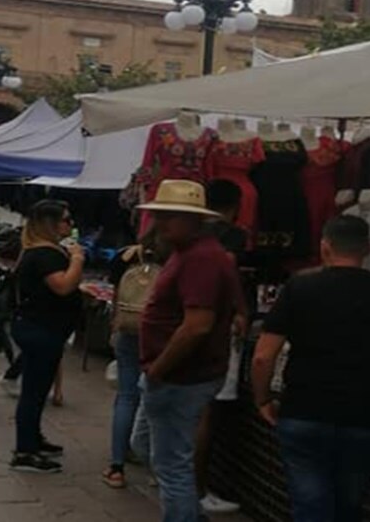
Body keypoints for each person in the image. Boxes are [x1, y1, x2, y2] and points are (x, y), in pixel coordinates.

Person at [251, 215, 370, 522]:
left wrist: (262, 398)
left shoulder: (299, 288)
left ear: (325, 246)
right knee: (349, 506)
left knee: (309, 504)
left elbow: (263, 356)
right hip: (365, 415)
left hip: (304, 410)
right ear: (368, 248)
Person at [137, 179, 241, 522]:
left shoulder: (201, 259)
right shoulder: (194, 254)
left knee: (172, 467)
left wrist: (159, 369)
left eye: (170, 216)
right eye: (159, 215)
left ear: (194, 219)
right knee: (155, 453)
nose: (161, 223)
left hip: (179, 377)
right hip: (177, 375)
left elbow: (197, 325)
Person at [9, 199, 83, 474]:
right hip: (41, 329)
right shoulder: (46, 254)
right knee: (34, 392)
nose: (70, 224)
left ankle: (32, 439)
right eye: (66, 219)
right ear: (51, 223)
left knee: (37, 390)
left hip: (39, 327)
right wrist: (77, 260)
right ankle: (25, 452)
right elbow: (63, 287)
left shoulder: (40, 251)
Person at [195, 179, 247, 514]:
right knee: (206, 410)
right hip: (216, 326)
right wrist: (240, 309)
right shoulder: (231, 235)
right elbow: (226, 274)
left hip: (185, 320)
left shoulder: (188, 231)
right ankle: (196, 489)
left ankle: (174, 476)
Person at [102, 231, 166, 489]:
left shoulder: (123, 257)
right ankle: (156, 468)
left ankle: (117, 467)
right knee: (157, 398)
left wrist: (114, 328)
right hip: (161, 334)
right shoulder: (174, 260)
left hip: (127, 330)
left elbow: (115, 296)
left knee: (127, 397)